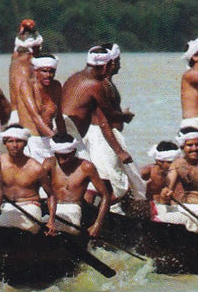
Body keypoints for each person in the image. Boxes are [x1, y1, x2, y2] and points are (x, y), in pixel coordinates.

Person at [61, 44, 144, 201]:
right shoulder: (96, 85)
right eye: (116, 61)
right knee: (91, 175)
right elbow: (107, 117)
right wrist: (125, 117)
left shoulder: (75, 77)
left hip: (68, 133)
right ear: (107, 65)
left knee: (90, 178)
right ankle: (92, 217)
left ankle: (91, 212)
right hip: (73, 134)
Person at [8, 21, 60, 160]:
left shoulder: (15, 58)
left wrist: (25, 31)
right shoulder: (28, 68)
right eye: (39, 48)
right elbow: (34, 114)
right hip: (22, 117)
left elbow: (20, 45)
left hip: (17, 115)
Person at [44, 133, 110, 239]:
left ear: (73, 152)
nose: (61, 160)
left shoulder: (86, 167)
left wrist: (97, 224)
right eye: (58, 155)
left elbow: (105, 195)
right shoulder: (49, 163)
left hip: (72, 208)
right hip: (52, 207)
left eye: (65, 156)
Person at [0, 124, 55, 230]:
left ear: (25, 143)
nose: (15, 145)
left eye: (19, 141)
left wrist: (51, 221)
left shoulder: (36, 168)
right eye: (10, 141)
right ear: (4, 143)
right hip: (6, 207)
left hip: (30, 208)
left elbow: (51, 195)